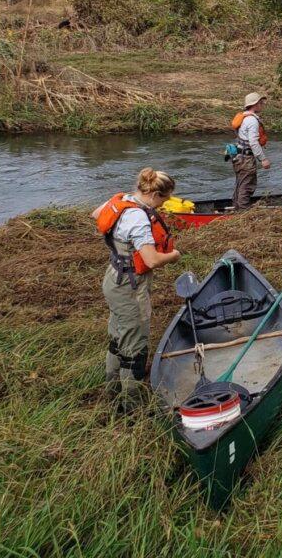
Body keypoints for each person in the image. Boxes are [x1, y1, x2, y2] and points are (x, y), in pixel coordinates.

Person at [93, 168, 182, 412]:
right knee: (135, 346)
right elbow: (151, 260)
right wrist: (173, 256)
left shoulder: (123, 200)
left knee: (117, 336)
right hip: (130, 286)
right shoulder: (139, 219)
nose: (164, 204)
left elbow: (97, 214)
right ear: (154, 194)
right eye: (164, 199)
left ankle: (112, 393)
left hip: (113, 277)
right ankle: (131, 407)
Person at [231, 92, 270, 211]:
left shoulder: (244, 117)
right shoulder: (252, 121)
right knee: (247, 185)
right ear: (254, 104)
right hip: (246, 158)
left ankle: (237, 208)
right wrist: (263, 159)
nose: (262, 105)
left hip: (238, 156)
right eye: (260, 103)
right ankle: (243, 212)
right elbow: (253, 142)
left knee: (240, 183)